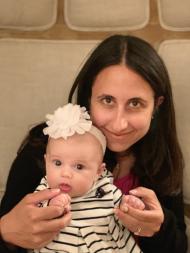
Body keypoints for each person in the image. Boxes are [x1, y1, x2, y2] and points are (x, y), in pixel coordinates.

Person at [0, 35, 187, 253]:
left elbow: (178, 247)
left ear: (156, 106)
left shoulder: (161, 158)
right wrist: (5, 232)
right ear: (89, 98)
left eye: (135, 103)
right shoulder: (49, 145)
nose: (119, 123)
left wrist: (158, 228)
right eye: (107, 100)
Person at [32, 103, 144, 253]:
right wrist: (52, 205)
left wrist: (132, 205)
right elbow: (33, 216)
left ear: (99, 171)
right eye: (57, 163)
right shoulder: (45, 190)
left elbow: (126, 212)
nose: (65, 173)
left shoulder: (106, 190)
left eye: (78, 167)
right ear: (46, 162)